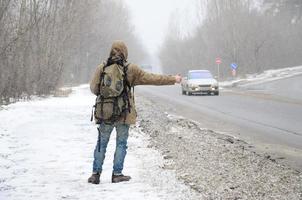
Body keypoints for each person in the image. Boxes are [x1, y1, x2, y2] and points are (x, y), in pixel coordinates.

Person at [88, 40, 182, 184]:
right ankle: (117, 174)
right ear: (125, 52)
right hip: (124, 114)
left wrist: (107, 97)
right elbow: (153, 78)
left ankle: (95, 174)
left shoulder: (102, 67)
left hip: (105, 113)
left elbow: (94, 88)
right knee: (121, 143)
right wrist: (172, 79)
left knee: (101, 143)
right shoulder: (130, 69)